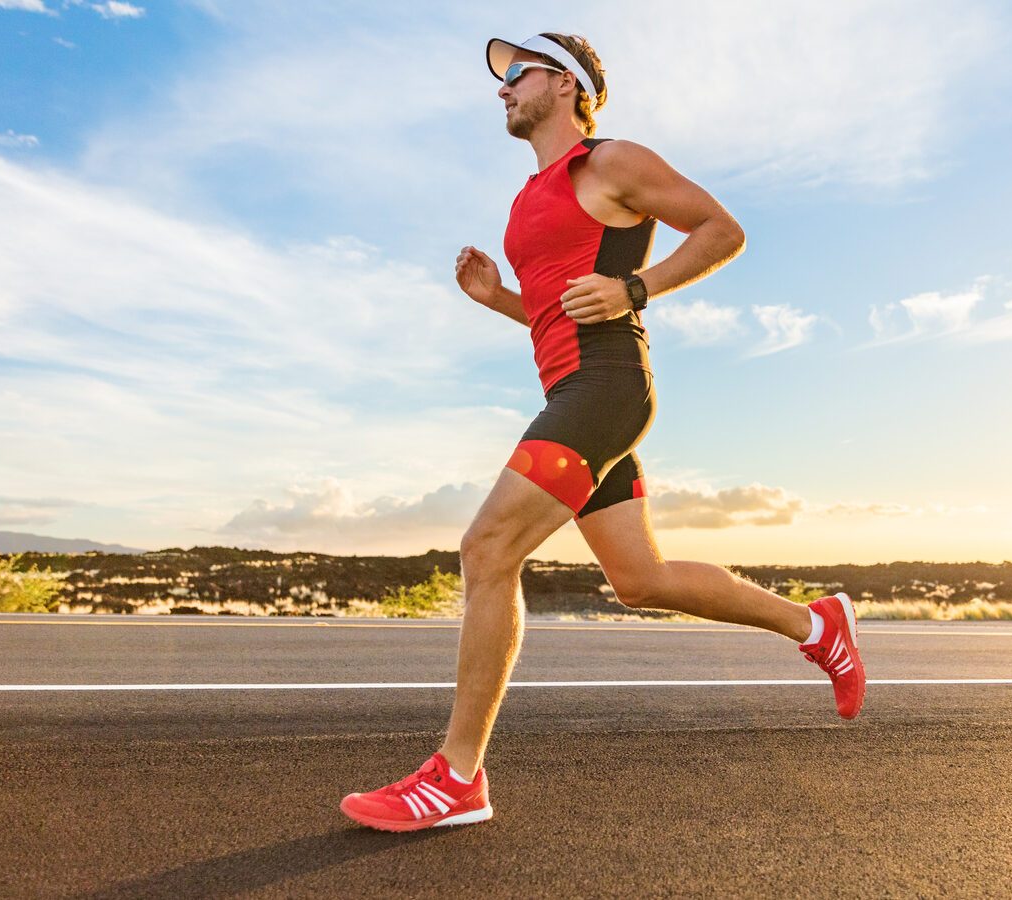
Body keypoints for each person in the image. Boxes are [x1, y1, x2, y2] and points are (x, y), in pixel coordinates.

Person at [340, 32, 866, 833]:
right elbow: (557, 312)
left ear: (564, 83)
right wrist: (499, 302)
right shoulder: (528, 199)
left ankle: (457, 777)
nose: (501, 89)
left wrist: (637, 287)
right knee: (641, 581)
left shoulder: (611, 162)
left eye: (515, 74)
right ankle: (815, 623)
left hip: (607, 389)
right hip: (576, 390)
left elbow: (722, 230)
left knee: (487, 550)